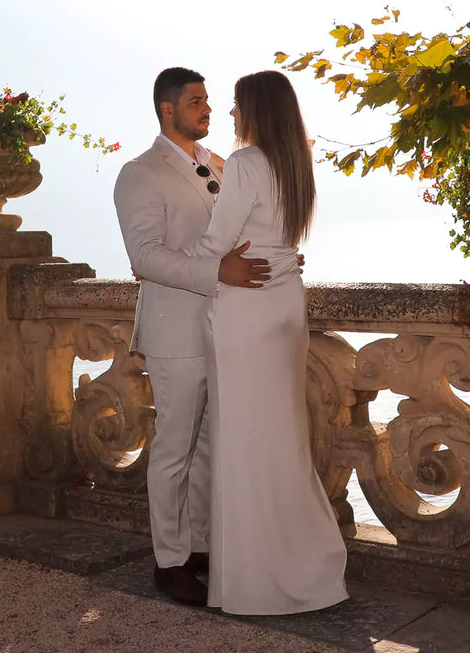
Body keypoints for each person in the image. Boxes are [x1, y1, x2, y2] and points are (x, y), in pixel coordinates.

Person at [190, 69, 348, 615]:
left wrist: (173, 259)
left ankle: (254, 582)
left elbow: (217, 241)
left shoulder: (247, 162)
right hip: (284, 302)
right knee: (282, 434)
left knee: (243, 438)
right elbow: (280, 236)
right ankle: (305, 565)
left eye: (236, 105)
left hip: (248, 309)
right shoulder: (295, 162)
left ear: (255, 108)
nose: (230, 114)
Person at [112, 67, 271, 607]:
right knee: (173, 449)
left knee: (208, 448)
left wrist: (275, 258)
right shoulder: (140, 173)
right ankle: (169, 561)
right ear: (167, 108)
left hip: (226, 328)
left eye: (208, 101)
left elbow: (241, 237)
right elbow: (144, 257)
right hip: (174, 331)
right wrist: (216, 274)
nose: (207, 110)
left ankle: (202, 547)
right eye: (196, 102)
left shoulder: (223, 167)